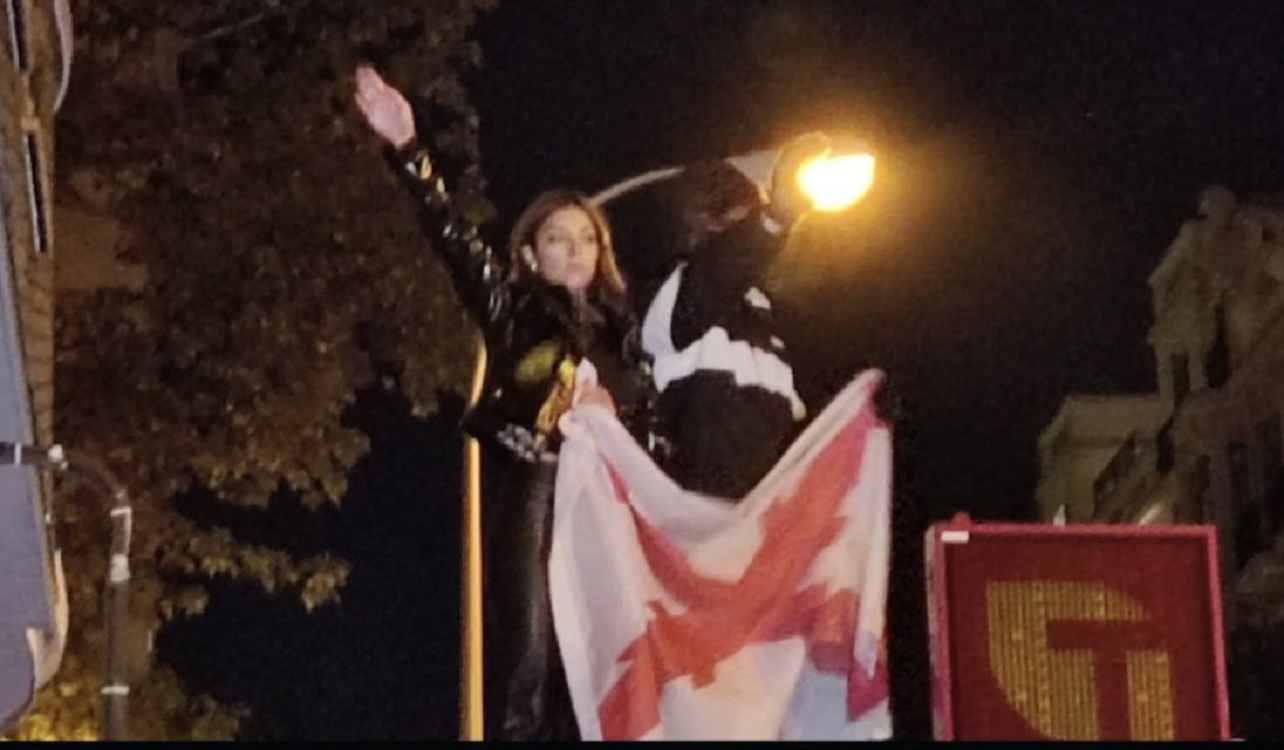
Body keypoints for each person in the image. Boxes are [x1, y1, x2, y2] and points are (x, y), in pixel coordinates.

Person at [353, 64, 649, 740]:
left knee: (608, 664)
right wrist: (408, 152)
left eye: (586, 239)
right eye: (557, 239)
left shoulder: (627, 340)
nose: (574, 251)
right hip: (536, 483)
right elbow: (451, 236)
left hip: (610, 508)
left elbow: (663, 436)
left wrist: (620, 417)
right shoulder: (512, 310)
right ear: (530, 251)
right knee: (530, 652)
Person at [640, 136, 832, 500]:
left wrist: (867, 406)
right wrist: (774, 218)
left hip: (766, 519)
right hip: (692, 518)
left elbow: (797, 419)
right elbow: (714, 278)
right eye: (741, 222)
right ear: (701, 224)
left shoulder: (767, 315)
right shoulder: (670, 292)